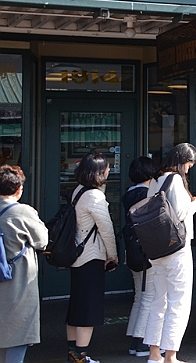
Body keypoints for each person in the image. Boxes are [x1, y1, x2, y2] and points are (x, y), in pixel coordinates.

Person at [144, 143, 196, 363]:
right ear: (182, 161)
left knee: (158, 301)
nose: (189, 168)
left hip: (157, 249)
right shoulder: (176, 180)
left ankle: (154, 353)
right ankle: (171, 355)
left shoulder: (156, 181)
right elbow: (180, 213)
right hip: (177, 249)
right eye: (189, 163)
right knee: (178, 302)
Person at [66, 153, 118, 363]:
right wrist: (112, 255)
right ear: (99, 173)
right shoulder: (94, 196)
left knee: (76, 304)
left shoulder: (78, 191)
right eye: (106, 168)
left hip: (77, 256)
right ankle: (81, 354)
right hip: (91, 257)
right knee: (89, 306)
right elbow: (106, 229)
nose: (109, 171)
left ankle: (72, 351)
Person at [0, 165, 48, 363]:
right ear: (19, 189)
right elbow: (42, 240)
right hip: (16, 279)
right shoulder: (21, 212)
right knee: (18, 330)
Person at [123, 157, 160, 357]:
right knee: (149, 296)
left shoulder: (129, 194)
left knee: (140, 295)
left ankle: (134, 339)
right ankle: (142, 342)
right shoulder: (147, 194)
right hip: (146, 250)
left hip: (132, 250)